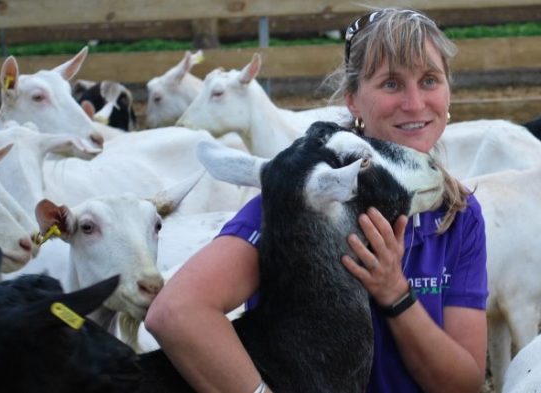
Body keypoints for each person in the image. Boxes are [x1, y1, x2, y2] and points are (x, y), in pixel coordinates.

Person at [145, 7, 488, 393]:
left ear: (448, 90)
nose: (414, 102)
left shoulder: (457, 215)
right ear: (354, 101)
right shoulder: (302, 198)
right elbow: (177, 312)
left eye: (429, 80)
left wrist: (396, 294)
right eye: (391, 84)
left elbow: (465, 384)